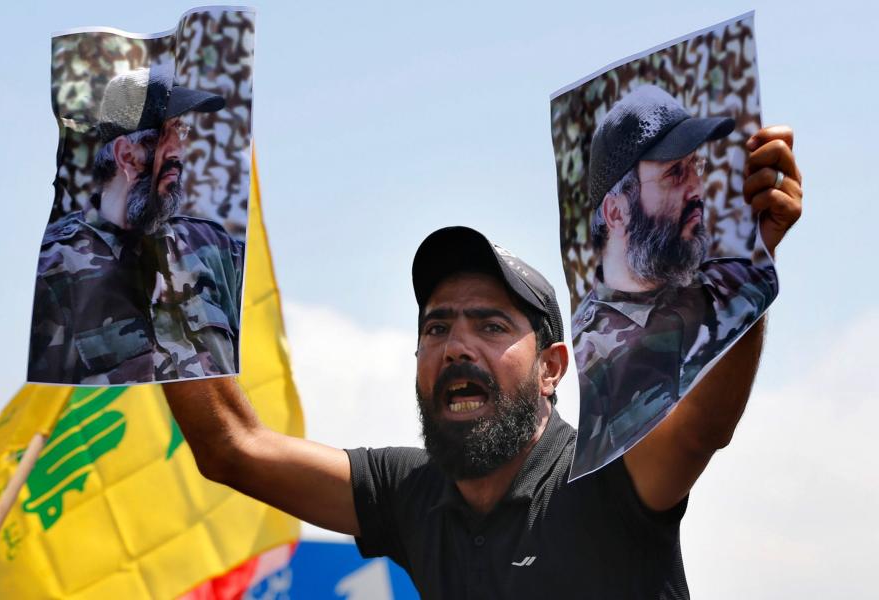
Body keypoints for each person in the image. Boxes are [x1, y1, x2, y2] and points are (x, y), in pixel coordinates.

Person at [162, 128, 800, 599]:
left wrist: (746, 264)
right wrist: (164, 278)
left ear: (553, 368)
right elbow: (230, 446)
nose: (456, 346)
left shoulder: (607, 477)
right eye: (436, 327)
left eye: (491, 325)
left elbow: (700, 427)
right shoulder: (411, 495)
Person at [571, 83, 783, 477]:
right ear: (616, 212)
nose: (696, 190)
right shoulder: (595, 349)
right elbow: (696, 436)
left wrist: (765, 246)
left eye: (696, 168)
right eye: (674, 174)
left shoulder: (730, 280)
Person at [28, 68, 244, 385]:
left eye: (182, 132)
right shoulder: (54, 269)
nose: (179, 153)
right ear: (126, 155)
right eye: (165, 136)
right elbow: (47, 403)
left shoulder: (216, 249)